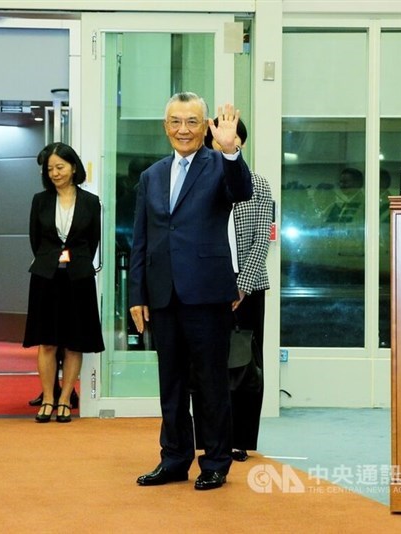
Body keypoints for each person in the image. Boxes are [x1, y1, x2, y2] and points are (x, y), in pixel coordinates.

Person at [129, 92, 252, 491]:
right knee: (172, 383)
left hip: (207, 292)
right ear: (165, 126)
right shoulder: (151, 176)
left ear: (206, 127)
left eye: (192, 122)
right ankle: (175, 458)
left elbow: (242, 191)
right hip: (162, 293)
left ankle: (215, 461)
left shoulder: (220, 165)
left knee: (212, 382)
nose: (183, 129)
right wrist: (136, 295)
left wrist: (232, 151)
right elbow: (141, 240)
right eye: (176, 122)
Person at [204, 118, 273, 462]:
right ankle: (209, 436)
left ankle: (239, 439)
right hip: (206, 286)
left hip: (248, 286)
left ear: (240, 144)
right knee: (208, 364)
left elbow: (262, 239)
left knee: (244, 366)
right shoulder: (198, 184)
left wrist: (242, 285)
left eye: (230, 141)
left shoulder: (259, 185)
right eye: (216, 141)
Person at [23, 142, 104, 423]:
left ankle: (66, 398)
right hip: (46, 276)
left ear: (73, 167)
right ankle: (47, 398)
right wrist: (52, 259)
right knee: (46, 342)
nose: (55, 173)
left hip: (78, 278)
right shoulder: (40, 200)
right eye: (50, 169)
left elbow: (92, 241)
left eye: (60, 167)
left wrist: (76, 262)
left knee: (73, 343)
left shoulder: (91, 202)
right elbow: (36, 240)